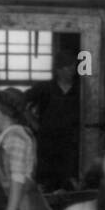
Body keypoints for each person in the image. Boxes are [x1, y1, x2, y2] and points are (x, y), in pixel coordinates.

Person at [26, 50, 82, 191]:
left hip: (71, 139)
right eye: (67, 67)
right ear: (58, 70)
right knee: (45, 178)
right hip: (47, 139)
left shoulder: (80, 89)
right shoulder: (44, 88)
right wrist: (33, 123)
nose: (71, 71)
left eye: (73, 67)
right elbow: (19, 103)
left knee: (69, 176)